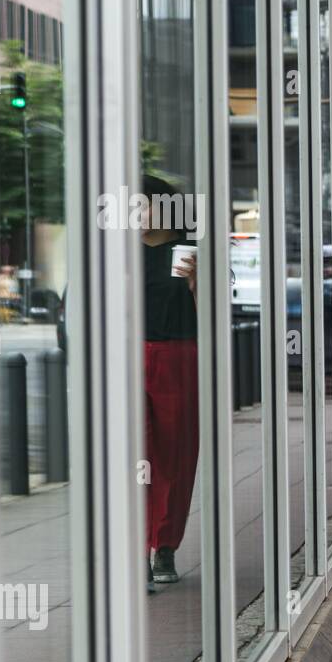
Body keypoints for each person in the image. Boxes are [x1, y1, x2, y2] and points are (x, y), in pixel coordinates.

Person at [141, 173, 199, 592]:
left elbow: (212, 314)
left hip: (178, 356)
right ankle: (135, 546)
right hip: (126, 356)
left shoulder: (188, 254)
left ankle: (164, 545)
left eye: (144, 205)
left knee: (173, 455)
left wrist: (201, 283)